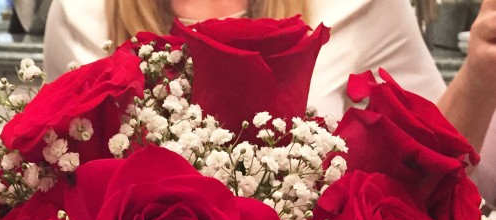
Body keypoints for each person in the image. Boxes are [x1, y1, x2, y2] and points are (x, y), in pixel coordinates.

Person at [43, 0, 496, 185]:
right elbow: (50, 186)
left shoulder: (360, 4)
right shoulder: (81, 12)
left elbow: (461, 173)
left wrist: (481, 75)